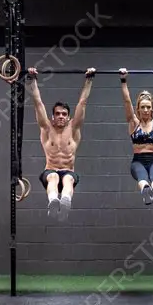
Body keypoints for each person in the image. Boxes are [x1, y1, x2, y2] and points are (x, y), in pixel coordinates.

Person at [26, 66, 94, 221]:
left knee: (68, 179)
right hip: (50, 171)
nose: (61, 116)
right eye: (57, 114)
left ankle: (65, 202)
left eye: (64, 114)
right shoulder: (46, 128)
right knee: (53, 178)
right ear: (52, 116)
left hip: (69, 171)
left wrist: (89, 79)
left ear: (69, 117)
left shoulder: (74, 128)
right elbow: (38, 103)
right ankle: (53, 201)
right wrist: (32, 80)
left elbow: (82, 103)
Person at [120, 67, 153, 204]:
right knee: (143, 179)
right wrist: (123, 80)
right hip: (137, 161)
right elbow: (127, 101)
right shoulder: (133, 122)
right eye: (143, 107)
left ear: (152, 109)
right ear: (138, 108)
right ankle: (145, 191)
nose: (145, 110)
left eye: (148, 107)